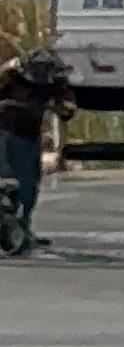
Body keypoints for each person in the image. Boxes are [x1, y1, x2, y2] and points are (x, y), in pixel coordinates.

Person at [0, 47, 77, 238]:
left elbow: (68, 108)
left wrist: (61, 107)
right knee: (7, 179)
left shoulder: (57, 81)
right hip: (4, 132)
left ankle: (23, 227)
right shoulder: (11, 73)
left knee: (28, 187)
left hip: (29, 137)